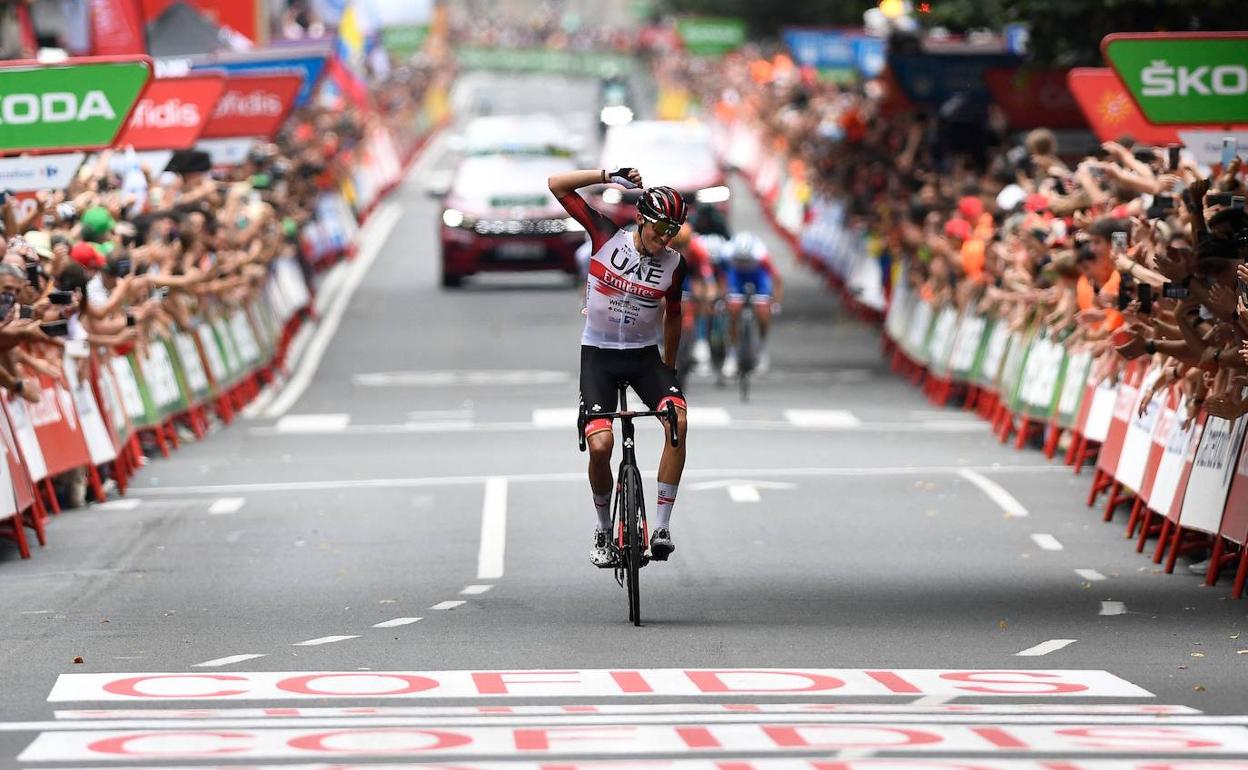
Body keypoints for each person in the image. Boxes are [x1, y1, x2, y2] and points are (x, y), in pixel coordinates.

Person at [548, 166, 690, 567]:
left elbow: (674, 315)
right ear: (641, 218)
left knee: (677, 421)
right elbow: (556, 185)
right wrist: (609, 175)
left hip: (644, 355)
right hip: (599, 353)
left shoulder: (675, 265)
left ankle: (661, 527)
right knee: (602, 446)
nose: (665, 238)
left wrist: (670, 368)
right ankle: (600, 529)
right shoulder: (606, 236)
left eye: (673, 231)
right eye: (660, 228)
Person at [720, 231, 783, 376]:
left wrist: (776, 302)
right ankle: (732, 355)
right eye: (739, 260)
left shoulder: (761, 255)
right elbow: (721, 275)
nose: (743, 263)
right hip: (736, 277)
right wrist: (723, 296)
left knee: (762, 311)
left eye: (746, 260)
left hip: (758, 277)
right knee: (734, 310)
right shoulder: (727, 253)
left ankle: (762, 349)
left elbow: (777, 279)